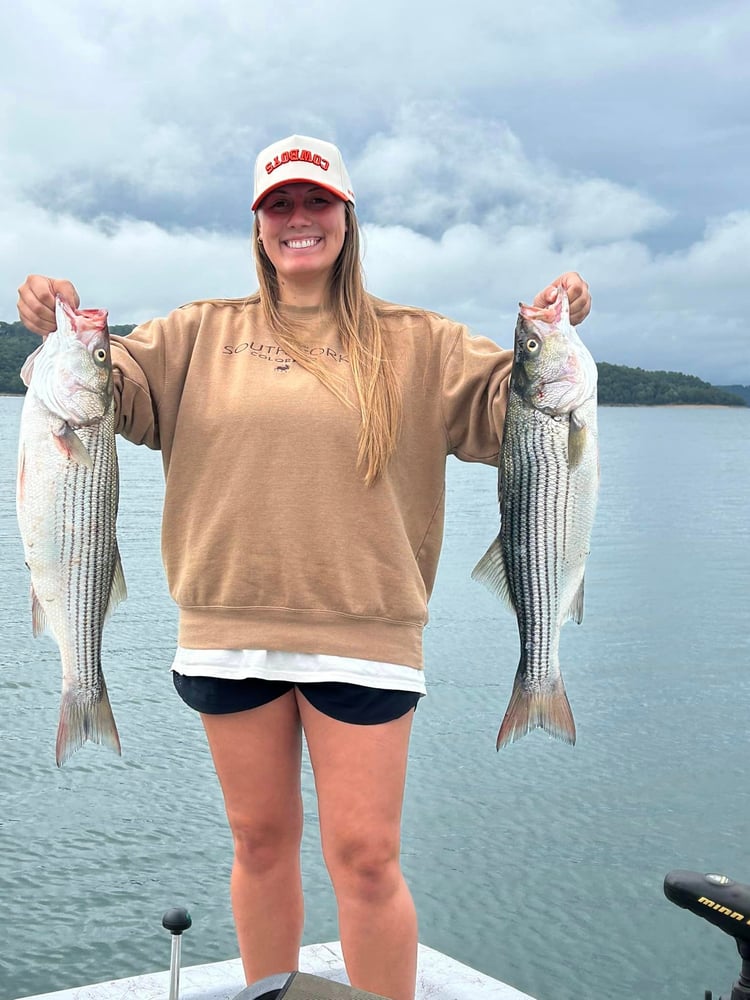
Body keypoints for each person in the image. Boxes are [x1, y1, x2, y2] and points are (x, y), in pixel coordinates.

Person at [17, 133, 591, 1000]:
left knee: (365, 858)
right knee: (258, 844)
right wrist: (51, 317)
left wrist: (558, 322)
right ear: (258, 226)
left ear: (346, 218)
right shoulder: (196, 334)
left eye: (316, 202)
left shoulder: (421, 342)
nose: (298, 220)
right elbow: (107, 391)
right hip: (226, 631)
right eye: (278, 205)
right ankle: (270, 995)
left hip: (367, 633)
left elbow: (516, 410)